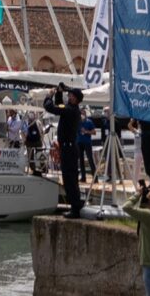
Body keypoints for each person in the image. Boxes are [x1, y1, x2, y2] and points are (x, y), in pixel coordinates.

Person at [44, 87, 83, 217]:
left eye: (71, 96)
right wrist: (59, 92)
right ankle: (75, 206)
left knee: (70, 179)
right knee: (69, 179)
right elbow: (61, 105)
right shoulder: (70, 109)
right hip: (68, 148)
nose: (69, 97)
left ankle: (75, 209)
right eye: (69, 95)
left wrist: (49, 96)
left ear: (77, 99)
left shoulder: (71, 110)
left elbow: (51, 108)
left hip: (69, 149)